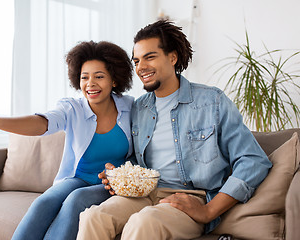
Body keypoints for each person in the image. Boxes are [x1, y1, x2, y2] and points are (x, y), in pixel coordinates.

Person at [76, 20, 272, 240]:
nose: (141, 67)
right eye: (137, 61)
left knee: (144, 223)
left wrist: (209, 210)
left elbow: (253, 160)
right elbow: (141, 161)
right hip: (145, 193)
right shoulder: (140, 107)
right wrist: (119, 173)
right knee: (93, 216)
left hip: (191, 198)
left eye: (150, 57)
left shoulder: (212, 102)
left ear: (172, 57)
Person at [0, 40, 134, 240]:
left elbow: (142, 151)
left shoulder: (131, 108)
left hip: (111, 184)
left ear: (114, 80)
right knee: (44, 201)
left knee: (76, 200)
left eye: (99, 76)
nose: (90, 84)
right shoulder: (72, 108)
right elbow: (43, 123)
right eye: (84, 77)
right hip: (77, 179)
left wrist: (123, 173)